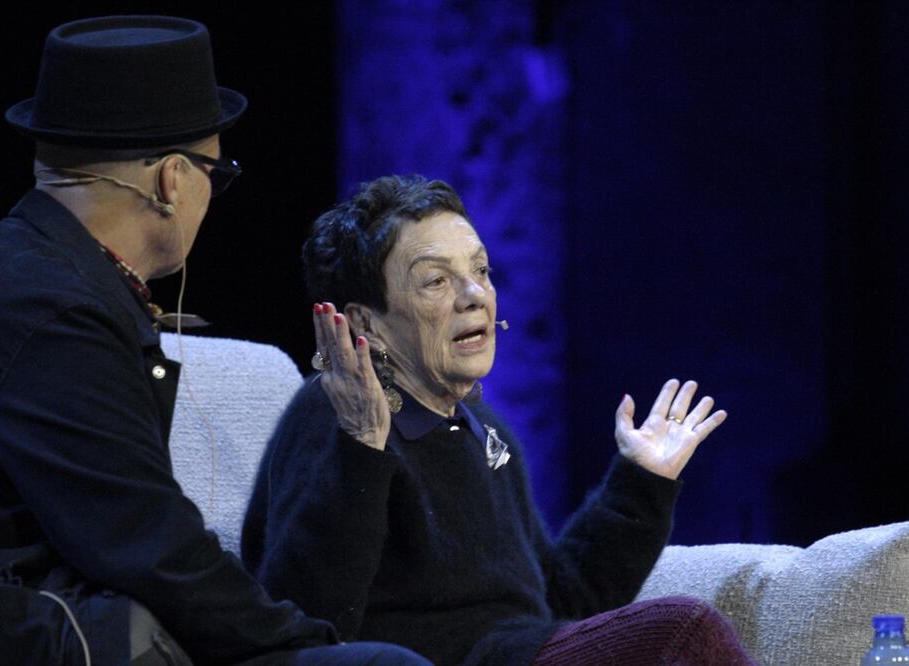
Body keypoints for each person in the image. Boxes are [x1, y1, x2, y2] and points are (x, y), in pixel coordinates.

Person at [0, 16, 429, 666]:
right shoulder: (50, 307)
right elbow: (152, 548)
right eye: (214, 172)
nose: (209, 196)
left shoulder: (32, 273)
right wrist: (309, 646)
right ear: (172, 179)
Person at [241, 174, 757, 665]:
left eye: (481, 271)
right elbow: (306, 617)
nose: (475, 297)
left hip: (522, 650)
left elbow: (560, 603)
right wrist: (361, 449)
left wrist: (641, 482)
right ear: (365, 323)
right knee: (684, 627)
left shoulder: (481, 427)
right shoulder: (335, 414)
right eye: (436, 281)